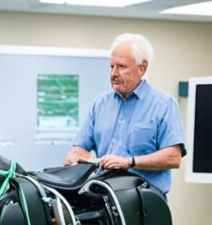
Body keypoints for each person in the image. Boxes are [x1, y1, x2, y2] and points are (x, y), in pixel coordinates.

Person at [64, 33, 184, 193]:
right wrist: (75, 156)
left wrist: (129, 162)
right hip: (104, 197)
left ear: (142, 68)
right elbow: (81, 147)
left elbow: (173, 157)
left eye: (121, 67)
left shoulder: (164, 104)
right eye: (112, 66)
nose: (114, 73)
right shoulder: (100, 104)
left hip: (144, 201)